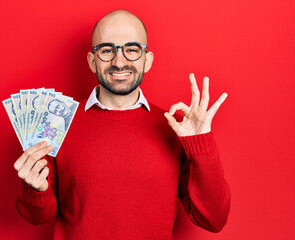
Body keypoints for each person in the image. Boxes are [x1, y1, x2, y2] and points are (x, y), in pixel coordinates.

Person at [14, 10, 231, 239]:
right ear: (91, 61)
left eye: (132, 50)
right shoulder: (56, 123)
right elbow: (37, 217)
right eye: (107, 50)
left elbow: (213, 219)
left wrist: (202, 144)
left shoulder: (177, 128)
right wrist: (35, 190)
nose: (119, 62)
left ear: (147, 61)